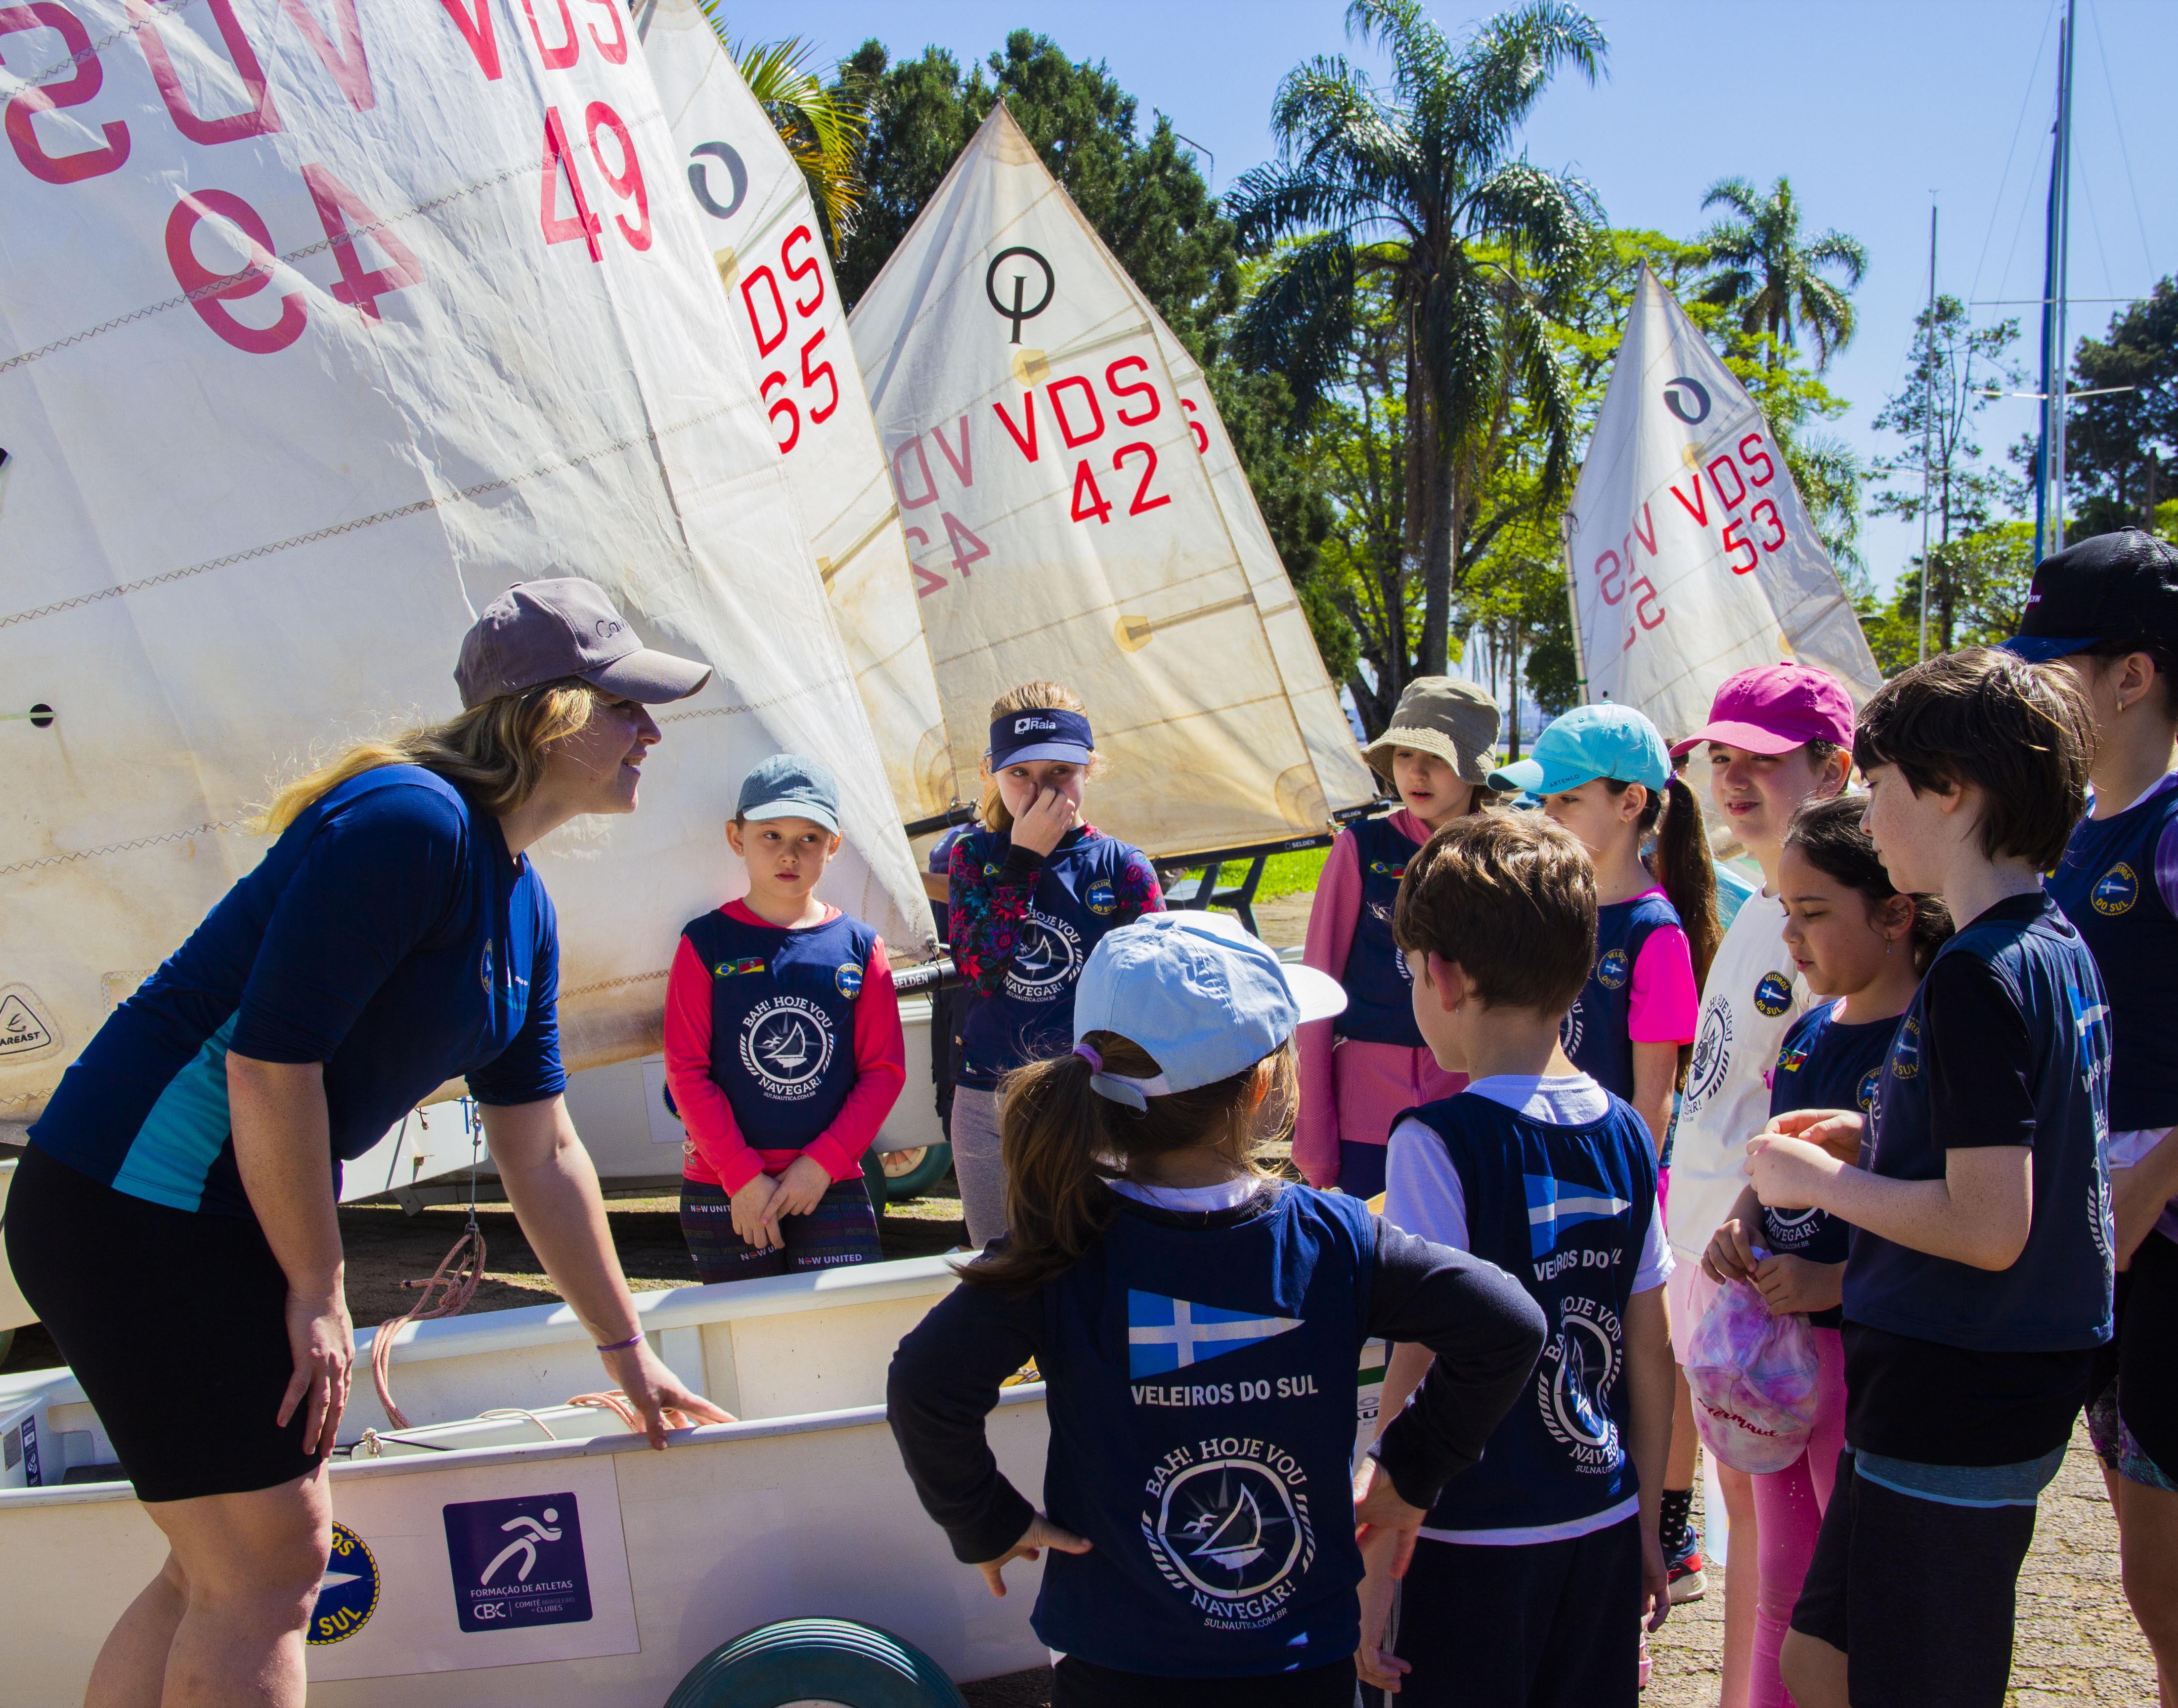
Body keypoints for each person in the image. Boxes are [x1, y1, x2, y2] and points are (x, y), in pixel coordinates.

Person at [1, 579, 733, 1708]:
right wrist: (318, 1284)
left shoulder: (522, 906)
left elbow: (541, 1152)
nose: (650, 732)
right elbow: (267, 1061)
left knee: (226, 1564)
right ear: (550, 716)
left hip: (189, 1214)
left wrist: (625, 1346)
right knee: (271, 1568)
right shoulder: (407, 821)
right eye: (626, 706)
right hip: (135, 1204)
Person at [886, 910, 1548, 1708]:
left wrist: (985, 1519)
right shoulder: (1333, 1237)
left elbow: (925, 1383)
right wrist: (1412, 1472)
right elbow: (1509, 1323)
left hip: (1114, 1664)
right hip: (1298, 1664)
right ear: (1264, 1085)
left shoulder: (1063, 1246)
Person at [1745, 648, 2109, 1708]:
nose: (1865, 808)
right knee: (1820, 1660)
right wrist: (1878, 1134)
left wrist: (1816, 1182)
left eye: (1878, 785)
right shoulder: (2051, 944)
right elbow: (2025, 1140)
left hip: (1959, 1379)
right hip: (1967, 1375)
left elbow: (1990, 1225)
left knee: (1919, 1676)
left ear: (1950, 791)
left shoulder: (1973, 977)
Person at [1358, 811, 1676, 1707]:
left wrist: (1379, 1565)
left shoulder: (1435, 1140)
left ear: (1444, 977)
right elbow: (1652, 1349)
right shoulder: (1623, 1128)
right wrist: (1648, 1521)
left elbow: (1415, 1363)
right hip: (1602, 1518)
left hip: (1468, 1537)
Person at [1700, 795, 1953, 1708]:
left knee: (1843, 1599)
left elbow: (1953, 1217)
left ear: (1894, 915)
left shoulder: (1928, 1040)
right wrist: (1740, 1222)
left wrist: (1832, 1281)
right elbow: (1778, 1162)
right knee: (1779, 1575)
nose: (1792, 938)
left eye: (1813, 914)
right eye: (1784, 913)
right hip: (1783, 1358)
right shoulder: (1810, 1031)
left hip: (1865, 1358)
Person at [2004, 527, 2178, 1701]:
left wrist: (2148, 1182)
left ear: (2133, 673)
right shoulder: (2067, 837)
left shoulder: (2169, 829)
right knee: (2143, 1576)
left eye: (2057, 659)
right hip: (2096, 1258)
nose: (2032, 683)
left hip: (2159, 1254)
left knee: (2168, 1584)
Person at [1660, 663, 1855, 1659]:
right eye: (1722, 760)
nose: (1733, 782)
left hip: (1767, 1274)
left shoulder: (1838, 922)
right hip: (1707, 1258)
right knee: (1750, 1542)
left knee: (1788, 1552)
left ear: (1834, 770)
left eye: (1763, 764)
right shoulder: (1755, 900)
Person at [663, 754, 905, 1284]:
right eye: (770, 835)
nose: (789, 854)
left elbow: (883, 1072)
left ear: (834, 845)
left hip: (829, 1183)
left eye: (809, 839)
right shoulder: (705, 942)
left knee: (838, 1334)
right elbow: (685, 1071)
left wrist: (821, 1164)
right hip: (721, 1185)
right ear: (736, 837)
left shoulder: (861, 948)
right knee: (747, 1345)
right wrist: (739, 1175)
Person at [946, 683, 1163, 1247]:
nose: (1041, 792)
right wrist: (1023, 860)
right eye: (1020, 775)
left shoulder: (1123, 867)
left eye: (1060, 773)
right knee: (999, 1266)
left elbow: (1150, 1000)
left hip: (1095, 1096)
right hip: (989, 1098)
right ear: (990, 772)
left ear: (1089, 768)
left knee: (1097, 1262)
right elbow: (977, 970)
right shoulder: (972, 856)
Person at [1297, 676, 1502, 1199]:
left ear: (1474, 766)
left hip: (1475, 1099)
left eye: (1435, 756)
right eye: (1404, 753)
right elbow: (1316, 991)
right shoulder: (1360, 847)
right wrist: (1313, 1126)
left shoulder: (1508, 854)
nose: (1415, 770)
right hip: (1363, 1110)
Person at [1489, 702, 1716, 1156]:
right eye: (1544, 801)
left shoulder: (1654, 933)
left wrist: (1630, 1199)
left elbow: (1654, 1100)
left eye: (1568, 799)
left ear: (1630, 802)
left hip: (1603, 1175)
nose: (1547, 817)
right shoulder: (1545, 903)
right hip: (1534, 1155)